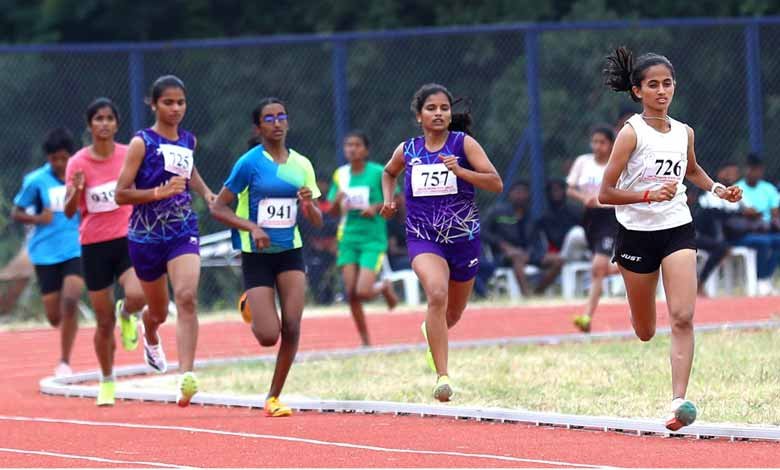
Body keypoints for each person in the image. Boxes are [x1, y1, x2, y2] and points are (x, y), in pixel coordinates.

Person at [600, 47, 742, 430]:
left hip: (678, 227)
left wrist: (718, 189)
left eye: (667, 84)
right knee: (645, 330)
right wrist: (647, 194)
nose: (661, 91)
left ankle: (679, 402)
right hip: (636, 235)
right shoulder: (631, 134)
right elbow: (605, 193)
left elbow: (692, 170)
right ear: (637, 91)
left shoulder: (684, 132)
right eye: (652, 85)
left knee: (682, 316)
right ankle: (637, 309)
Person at [380, 83, 503, 402]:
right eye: (431, 109)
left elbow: (495, 183)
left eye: (444, 108)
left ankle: (431, 332)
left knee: (453, 313)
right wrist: (389, 200)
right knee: (436, 293)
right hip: (423, 237)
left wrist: (460, 170)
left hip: (463, 239)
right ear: (419, 115)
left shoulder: (464, 144)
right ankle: (442, 377)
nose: (438, 113)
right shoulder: (407, 150)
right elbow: (388, 172)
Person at [210, 97, 323, 417]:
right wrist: (251, 227)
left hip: (290, 251)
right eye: (269, 118)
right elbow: (218, 207)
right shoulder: (249, 163)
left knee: (293, 325)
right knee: (267, 336)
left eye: (281, 116)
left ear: (288, 122)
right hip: (257, 254)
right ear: (258, 127)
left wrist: (309, 206)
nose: (276, 122)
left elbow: (316, 220)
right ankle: (249, 304)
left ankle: (273, 397)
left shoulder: (301, 164)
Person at [115, 75, 216, 407]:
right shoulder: (141, 143)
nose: (176, 108)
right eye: (168, 102)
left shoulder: (189, 140)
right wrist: (158, 192)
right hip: (145, 237)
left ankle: (186, 375)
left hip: (181, 229)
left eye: (181, 102)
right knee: (157, 310)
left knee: (186, 298)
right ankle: (151, 332)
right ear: (154, 104)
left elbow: (191, 173)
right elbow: (120, 194)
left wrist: (206, 193)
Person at [64, 98, 147, 406]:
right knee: (102, 322)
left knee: (138, 294)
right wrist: (76, 191)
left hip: (127, 237)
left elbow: (136, 190)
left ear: (117, 124)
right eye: (98, 118)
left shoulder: (128, 155)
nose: (104, 124)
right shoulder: (77, 162)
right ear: (89, 125)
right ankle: (108, 379)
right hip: (94, 245)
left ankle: (127, 313)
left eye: (109, 118)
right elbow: (70, 210)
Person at [11, 128, 84, 377]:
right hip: (45, 253)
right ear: (48, 158)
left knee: (71, 300)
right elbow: (16, 212)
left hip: (75, 247)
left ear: (70, 156)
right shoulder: (35, 181)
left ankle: (65, 361)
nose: (60, 163)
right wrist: (37, 218)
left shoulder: (80, 176)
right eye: (54, 159)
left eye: (64, 158)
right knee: (54, 316)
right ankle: (62, 327)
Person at [328, 131, 398, 346]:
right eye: (348, 145)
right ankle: (365, 340)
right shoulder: (341, 175)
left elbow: (394, 200)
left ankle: (383, 288)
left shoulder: (378, 172)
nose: (352, 149)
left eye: (357, 145)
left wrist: (375, 207)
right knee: (351, 293)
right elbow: (332, 212)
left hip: (372, 239)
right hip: (348, 238)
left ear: (365, 150)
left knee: (363, 291)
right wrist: (336, 201)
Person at [567, 126, 620, 332]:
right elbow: (570, 189)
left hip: (611, 216)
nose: (598, 146)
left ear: (611, 144)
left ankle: (587, 316)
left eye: (602, 142)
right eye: (594, 141)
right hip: (590, 217)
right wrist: (584, 199)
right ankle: (632, 267)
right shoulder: (583, 162)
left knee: (598, 268)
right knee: (600, 270)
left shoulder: (618, 165)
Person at [483, 182, 559, 295]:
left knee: (558, 260)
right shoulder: (497, 212)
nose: (520, 195)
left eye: (524, 192)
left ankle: (538, 292)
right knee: (517, 256)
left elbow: (536, 240)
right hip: (504, 255)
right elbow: (482, 231)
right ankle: (526, 295)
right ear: (510, 195)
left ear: (528, 195)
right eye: (517, 192)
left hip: (529, 254)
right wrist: (503, 245)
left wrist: (530, 252)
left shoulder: (532, 217)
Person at [733, 153, 780, 295]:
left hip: (765, 229)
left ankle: (765, 278)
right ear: (745, 169)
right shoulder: (737, 188)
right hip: (744, 232)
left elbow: (775, 214)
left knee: (777, 241)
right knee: (764, 243)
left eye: (758, 169)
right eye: (752, 169)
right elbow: (736, 214)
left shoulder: (768, 189)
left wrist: (773, 220)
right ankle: (760, 279)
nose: (755, 172)